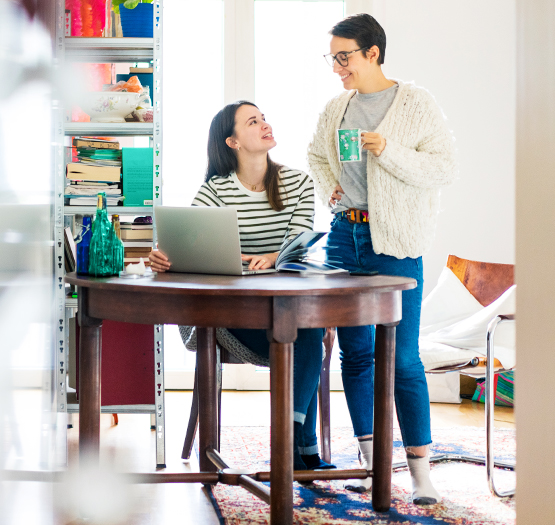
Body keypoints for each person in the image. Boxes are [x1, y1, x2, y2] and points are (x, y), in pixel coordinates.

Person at [307, 14, 457, 504]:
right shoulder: (337, 107)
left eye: (343, 56)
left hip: (394, 243)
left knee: (404, 359)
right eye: (332, 58)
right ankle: (372, 463)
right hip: (342, 239)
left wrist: (387, 150)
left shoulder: (415, 103)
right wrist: (330, 183)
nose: (337, 67)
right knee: (356, 355)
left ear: (373, 53)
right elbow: (315, 153)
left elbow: (441, 168)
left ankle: (419, 472)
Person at [150, 101, 334, 471]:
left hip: (287, 306)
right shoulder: (215, 191)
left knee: (308, 332)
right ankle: (301, 451)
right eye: (253, 121)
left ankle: (290, 442)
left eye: (264, 117)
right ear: (232, 141)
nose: (265, 124)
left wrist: (265, 254)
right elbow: (188, 244)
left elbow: (299, 242)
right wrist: (164, 256)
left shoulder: (298, 182)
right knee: (305, 337)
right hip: (233, 315)